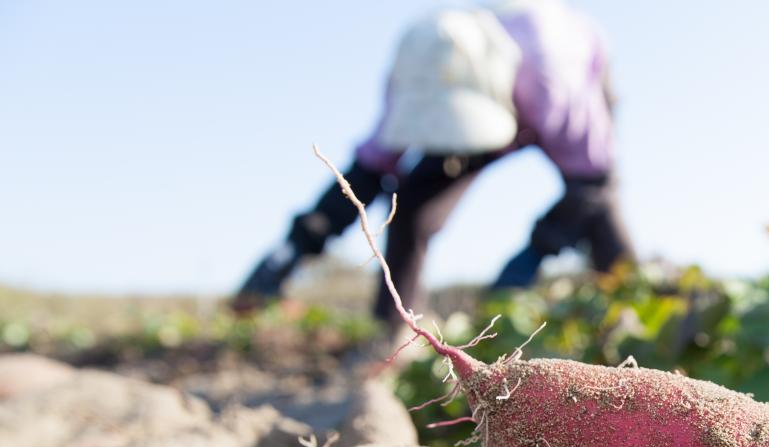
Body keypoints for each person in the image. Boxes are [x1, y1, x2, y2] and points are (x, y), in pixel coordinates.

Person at [234, 0, 634, 331]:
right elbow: (365, 174)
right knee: (411, 207)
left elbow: (592, 180)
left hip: (554, 84)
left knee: (599, 212)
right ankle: (395, 330)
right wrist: (288, 254)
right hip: (483, 91)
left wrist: (533, 255)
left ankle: (632, 315)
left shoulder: (557, 89)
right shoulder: (419, 73)